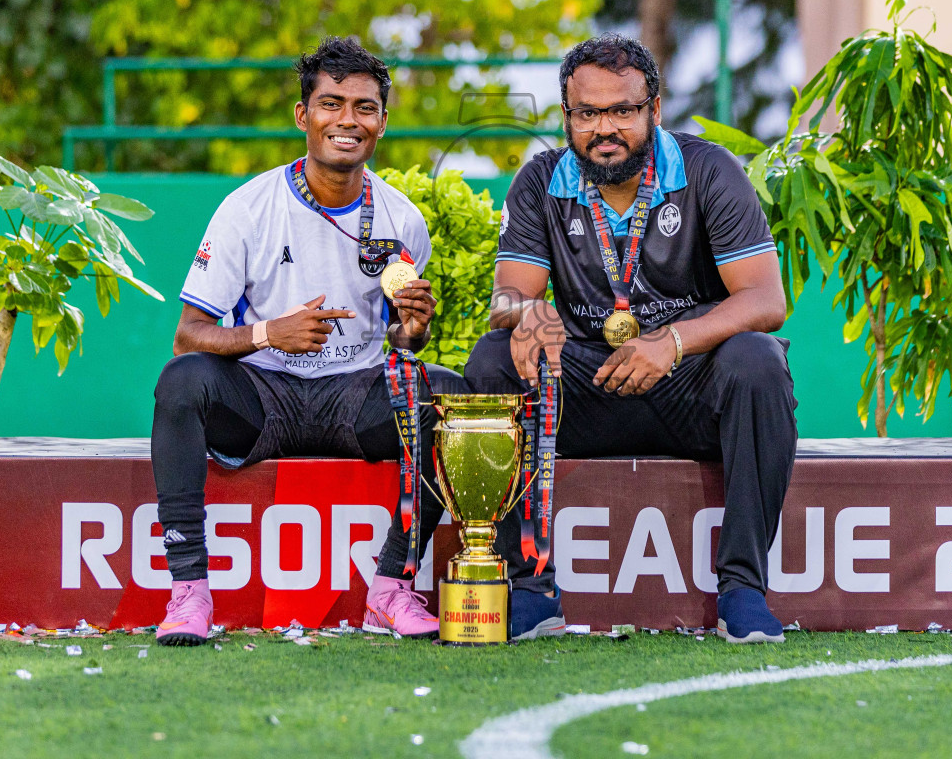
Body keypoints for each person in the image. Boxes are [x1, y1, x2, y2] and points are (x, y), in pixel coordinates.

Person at [463, 34, 798, 644]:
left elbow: (765, 300)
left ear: (654, 110)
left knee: (757, 361)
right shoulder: (540, 181)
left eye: (622, 110)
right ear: (566, 116)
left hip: (688, 384)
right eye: (587, 113)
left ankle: (743, 589)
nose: (604, 128)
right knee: (493, 362)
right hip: (590, 383)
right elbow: (510, 294)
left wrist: (670, 342)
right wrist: (527, 313)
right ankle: (530, 586)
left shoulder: (706, 170)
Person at [151, 36, 464, 646]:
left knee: (449, 396)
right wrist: (273, 333)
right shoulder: (248, 209)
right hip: (262, 394)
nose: (348, 121)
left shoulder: (402, 220)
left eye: (365, 107)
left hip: (353, 396)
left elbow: (399, 345)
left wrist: (413, 330)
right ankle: (188, 592)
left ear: (382, 122)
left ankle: (391, 587)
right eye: (331, 103)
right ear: (304, 116)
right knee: (181, 384)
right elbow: (187, 336)